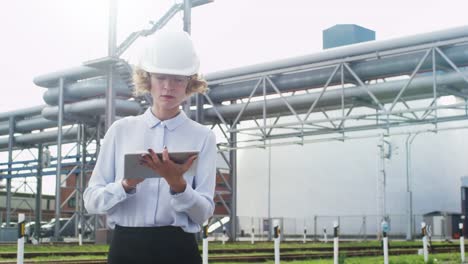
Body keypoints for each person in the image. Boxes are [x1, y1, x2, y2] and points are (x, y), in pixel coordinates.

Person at [83, 30, 217, 264]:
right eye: (161, 77)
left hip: (179, 250)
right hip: (126, 249)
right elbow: (91, 200)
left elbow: (204, 213)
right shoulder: (120, 131)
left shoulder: (203, 137)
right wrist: (126, 185)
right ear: (148, 79)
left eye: (178, 79)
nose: (168, 87)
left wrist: (179, 186)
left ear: (190, 83)